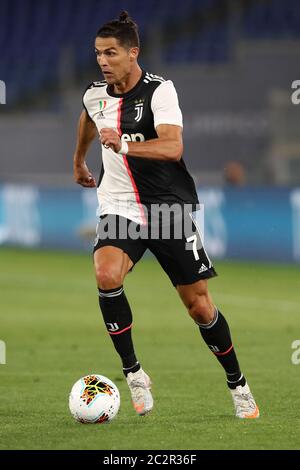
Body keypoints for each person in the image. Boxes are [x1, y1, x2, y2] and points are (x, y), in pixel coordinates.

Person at [73, 11, 259, 419]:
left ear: (133, 52)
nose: (102, 61)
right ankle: (134, 373)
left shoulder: (160, 92)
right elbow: (89, 118)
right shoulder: (94, 93)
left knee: (199, 307)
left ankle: (237, 383)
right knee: (106, 275)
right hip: (119, 205)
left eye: (110, 53)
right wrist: (79, 163)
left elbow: (172, 147)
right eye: (98, 53)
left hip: (168, 208)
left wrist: (122, 146)